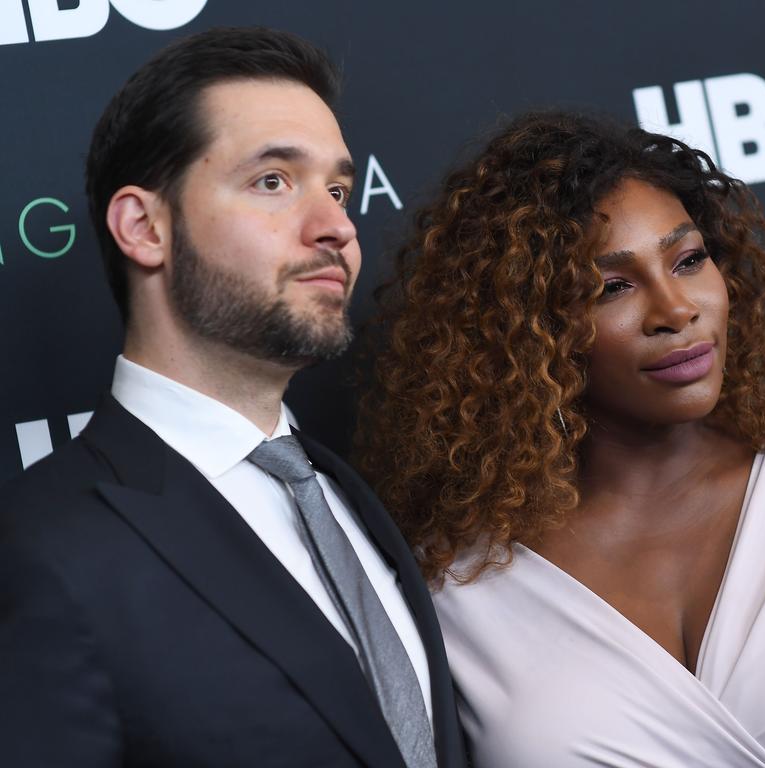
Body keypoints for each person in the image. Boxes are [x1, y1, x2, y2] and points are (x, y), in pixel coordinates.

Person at [357, 111, 765, 767]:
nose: (675, 310)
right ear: (525, 332)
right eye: (611, 287)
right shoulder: (458, 589)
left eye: (687, 259)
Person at [0, 27, 466, 768]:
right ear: (144, 227)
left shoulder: (346, 493)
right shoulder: (39, 547)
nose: (337, 228)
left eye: (339, 189)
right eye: (273, 182)